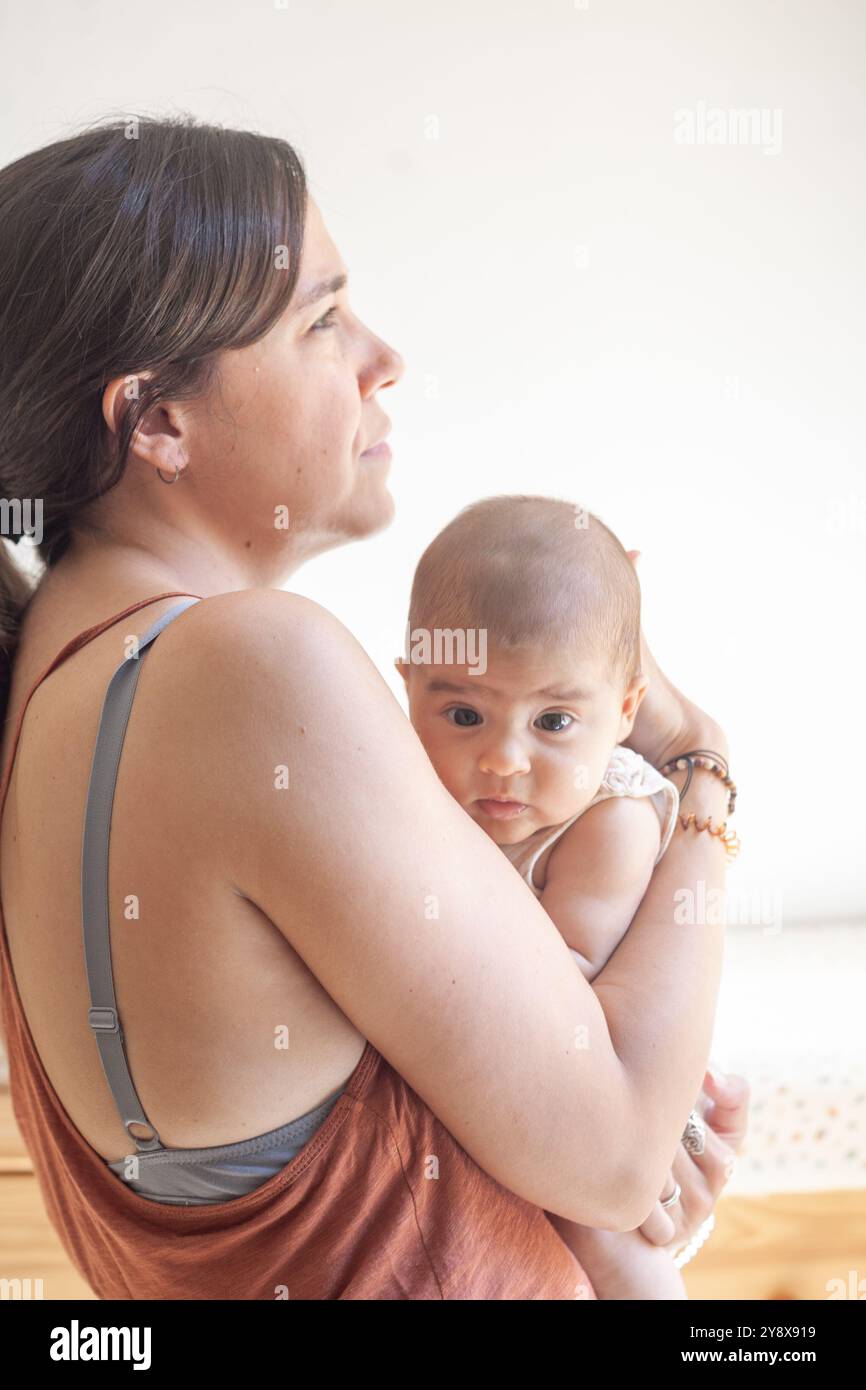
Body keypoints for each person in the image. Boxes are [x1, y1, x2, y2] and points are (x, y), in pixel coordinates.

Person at [0, 115, 749, 1300]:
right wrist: (703, 765)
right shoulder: (245, 671)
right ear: (156, 422)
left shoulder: (52, 688)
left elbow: (551, 1166)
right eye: (322, 320)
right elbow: (613, 1153)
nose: (382, 358)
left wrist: (612, 1189)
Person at [396, 494, 740, 1297]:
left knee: (618, 1259)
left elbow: (557, 978)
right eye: (463, 713)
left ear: (623, 712)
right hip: (509, 1087)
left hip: (594, 1069)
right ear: (406, 686)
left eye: (552, 720)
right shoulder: (412, 784)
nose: (504, 760)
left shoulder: (608, 818)